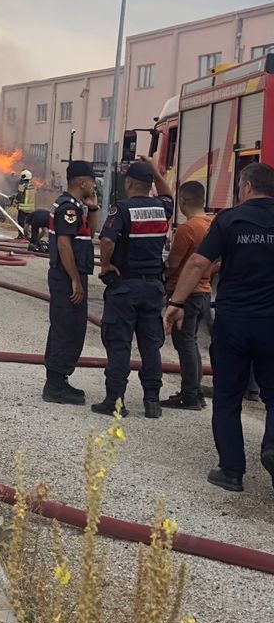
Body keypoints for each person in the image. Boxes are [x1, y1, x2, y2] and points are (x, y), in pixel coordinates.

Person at [165, 160, 274, 493]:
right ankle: (272, 447)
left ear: (245, 187)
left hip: (234, 323)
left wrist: (176, 303)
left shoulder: (229, 219)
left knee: (227, 398)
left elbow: (199, 262)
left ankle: (231, 471)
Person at [92, 155, 173, 419]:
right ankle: (152, 401)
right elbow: (167, 193)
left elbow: (106, 240)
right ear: (149, 183)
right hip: (153, 288)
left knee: (119, 344)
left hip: (125, 286)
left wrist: (105, 266)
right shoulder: (162, 207)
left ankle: (115, 401)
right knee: (151, 346)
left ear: (128, 183)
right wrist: (155, 171)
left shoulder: (122, 209)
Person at [42, 160, 99, 404]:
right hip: (66, 278)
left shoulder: (76, 206)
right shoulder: (68, 207)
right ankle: (55, 386)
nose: (95, 187)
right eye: (93, 183)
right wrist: (75, 280)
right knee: (66, 328)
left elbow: (90, 234)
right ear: (82, 182)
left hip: (72, 276)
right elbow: (64, 245)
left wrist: (94, 209)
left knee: (74, 328)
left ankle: (60, 380)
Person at [163, 180, 213, 409]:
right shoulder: (212, 225)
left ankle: (190, 394)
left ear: (182, 201)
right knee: (191, 344)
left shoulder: (187, 229)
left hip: (185, 295)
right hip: (204, 293)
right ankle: (194, 391)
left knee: (185, 345)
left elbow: (173, 264)